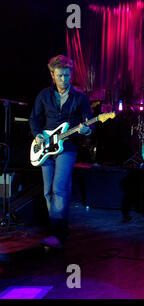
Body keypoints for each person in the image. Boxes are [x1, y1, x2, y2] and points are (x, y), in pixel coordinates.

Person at [29, 55, 93, 249]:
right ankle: (60, 231)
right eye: (60, 76)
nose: (64, 79)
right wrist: (38, 135)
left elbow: (88, 121)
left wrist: (87, 129)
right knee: (48, 191)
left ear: (70, 74)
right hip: (45, 147)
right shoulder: (44, 95)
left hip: (68, 148)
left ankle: (56, 234)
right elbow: (34, 119)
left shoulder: (80, 97)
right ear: (52, 75)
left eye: (66, 75)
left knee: (59, 189)